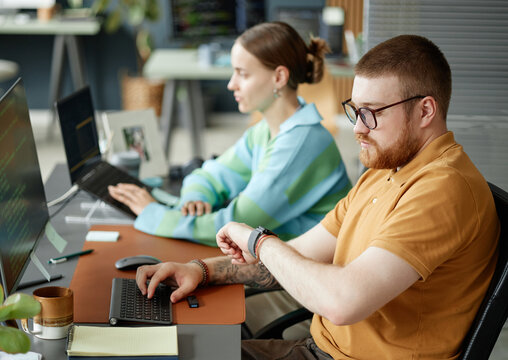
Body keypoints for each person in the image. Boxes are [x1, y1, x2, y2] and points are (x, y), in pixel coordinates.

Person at [134, 34, 500, 359]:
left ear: (425, 111)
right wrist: (200, 270)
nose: (357, 128)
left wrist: (259, 240)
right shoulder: (385, 171)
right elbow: (302, 253)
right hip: (317, 348)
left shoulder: (442, 190)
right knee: (170, 351)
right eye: (356, 110)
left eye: (371, 113)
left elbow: (341, 303)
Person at [108, 22, 352, 247]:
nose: (231, 84)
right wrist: (196, 195)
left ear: (279, 77)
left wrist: (152, 213)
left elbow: (237, 227)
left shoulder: (300, 144)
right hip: (278, 258)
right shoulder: (266, 131)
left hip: (305, 273)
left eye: (243, 74)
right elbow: (212, 173)